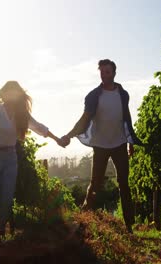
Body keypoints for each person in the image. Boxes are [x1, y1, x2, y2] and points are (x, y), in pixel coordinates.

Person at [60, 59, 142, 233]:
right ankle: (84, 217)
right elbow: (84, 119)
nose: (104, 75)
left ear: (114, 73)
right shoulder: (94, 96)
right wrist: (69, 134)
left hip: (119, 143)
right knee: (95, 184)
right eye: (102, 72)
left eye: (107, 71)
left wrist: (130, 141)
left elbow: (126, 118)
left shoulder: (123, 94)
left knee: (124, 184)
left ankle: (129, 225)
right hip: (100, 145)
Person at [0, 81, 63, 244]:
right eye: (8, 91)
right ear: (4, 93)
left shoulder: (22, 115)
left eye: (14, 92)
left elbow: (40, 128)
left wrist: (57, 139)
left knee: (7, 197)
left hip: (10, 157)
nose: (11, 95)